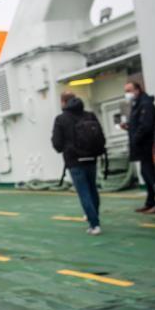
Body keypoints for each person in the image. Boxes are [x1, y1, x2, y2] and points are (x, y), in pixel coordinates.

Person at [52, 91, 106, 235]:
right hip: (92, 158)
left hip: (75, 161)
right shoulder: (90, 115)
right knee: (92, 189)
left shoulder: (61, 119)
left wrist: (66, 147)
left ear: (63, 102)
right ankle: (94, 216)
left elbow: (57, 144)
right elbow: (101, 136)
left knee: (84, 192)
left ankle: (94, 224)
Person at [122, 81, 155, 213]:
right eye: (126, 91)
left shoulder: (145, 104)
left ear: (137, 90)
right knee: (145, 173)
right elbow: (139, 124)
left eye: (129, 90)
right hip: (142, 146)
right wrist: (129, 127)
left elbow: (146, 126)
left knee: (150, 174)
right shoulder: (137, 104)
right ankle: (150, 202)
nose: (127, 94)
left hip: (147, 145)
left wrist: (135, 138)